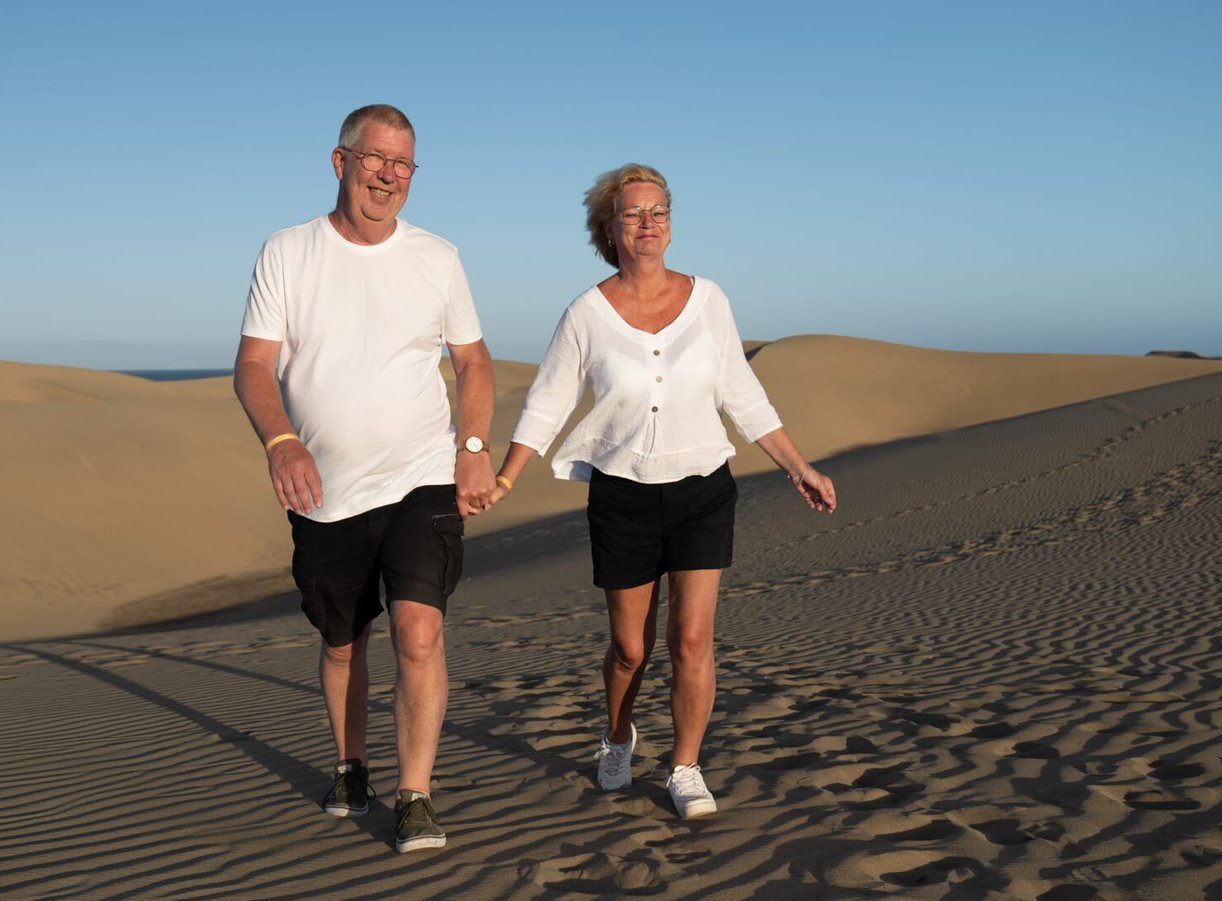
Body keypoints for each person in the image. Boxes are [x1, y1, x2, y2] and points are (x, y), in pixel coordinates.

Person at [486, 163, 836, 819]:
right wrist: (506, 474)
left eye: (658, 212)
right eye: (633, 214)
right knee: (630, 648)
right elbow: (548, 401)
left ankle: (685, 765)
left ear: (670, 224)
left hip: (703, 489)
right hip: (623, 499)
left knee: (693, 639)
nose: (647, 224)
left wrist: (798, 465)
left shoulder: (709, 301)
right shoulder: (586, 314)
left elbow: (743, 393)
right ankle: (617, 734)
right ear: (609, 229)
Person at [233, 103, 496, 853]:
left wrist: (472, 444)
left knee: (419, 630)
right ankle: (352, 765)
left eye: (403, 163)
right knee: (343, 639)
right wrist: (281, 440)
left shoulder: (437, 257)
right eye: (376, 158)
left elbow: (473, 361)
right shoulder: (287, 251)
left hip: (420, 479)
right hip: (325, 493)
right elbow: (255, 363)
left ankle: (415, 793)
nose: (389, 175)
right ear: (340, 161)